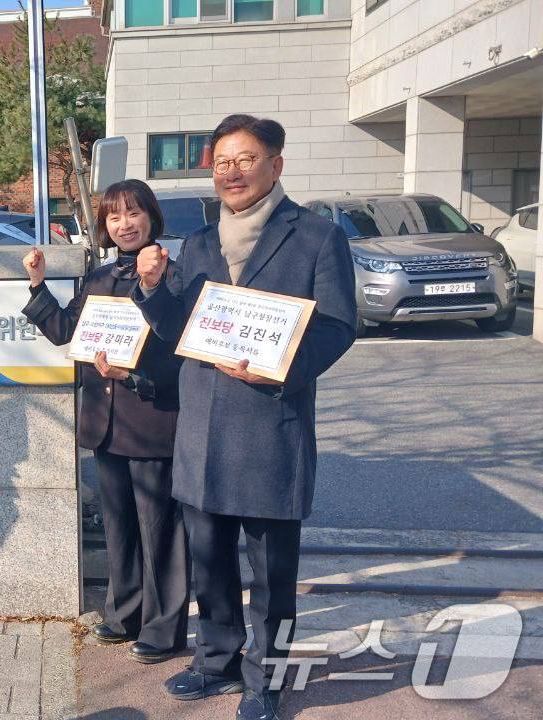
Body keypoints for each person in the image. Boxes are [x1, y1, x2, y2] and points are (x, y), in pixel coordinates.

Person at [133, 115, 356, 720]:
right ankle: (217, 661)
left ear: (276, 165)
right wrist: (153, 290)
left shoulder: (314, 236)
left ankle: (268, 680)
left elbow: (338, 326)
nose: (231, 172)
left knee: (271, 574)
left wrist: (280, 369)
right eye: (222, 162)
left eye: (245, 159)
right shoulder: (201, 242)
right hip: (203, 428)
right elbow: (183, 331)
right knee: (209, 561)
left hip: (270, 426)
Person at [21, 180, 188, 664]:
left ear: (152, 218)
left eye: (134, 214)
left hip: (153, 424)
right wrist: (37, 283)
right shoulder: (98, 278)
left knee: (161, 532)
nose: (125, 224)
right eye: (114, 217)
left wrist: (134, 375)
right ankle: (124, 614)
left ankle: (163, 627)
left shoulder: (174, 277)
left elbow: (181, 352)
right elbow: (63, 332)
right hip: (106, 426)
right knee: (119, 528)